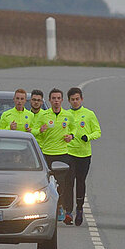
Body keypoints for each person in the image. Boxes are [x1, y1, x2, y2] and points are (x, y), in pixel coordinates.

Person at [33, 88, 75, 223]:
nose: (56, 101)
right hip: (47, 154)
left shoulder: (68, 116)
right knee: (47, 183)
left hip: (62, 154)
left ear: (62, 100)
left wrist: (71, 136)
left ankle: (61, 207)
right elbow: (32, 131)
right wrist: (40, 130)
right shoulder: (43, 115)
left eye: (58, 98)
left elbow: (74, 129)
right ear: (50, 100)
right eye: (54, 98)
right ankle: (45, 208)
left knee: (62, 183)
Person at [65, 87, 101, 226]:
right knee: (69, 182)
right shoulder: (65, 115)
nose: (75, 102)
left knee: (80, 182)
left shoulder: (89, 114)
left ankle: (79, 210)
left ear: (82, 99)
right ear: (69, 100)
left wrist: (88, 137)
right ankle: (68, 211)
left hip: (84, 154)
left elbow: (97, 131)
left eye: (77, 99)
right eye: (72, 99)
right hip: (68, 153)